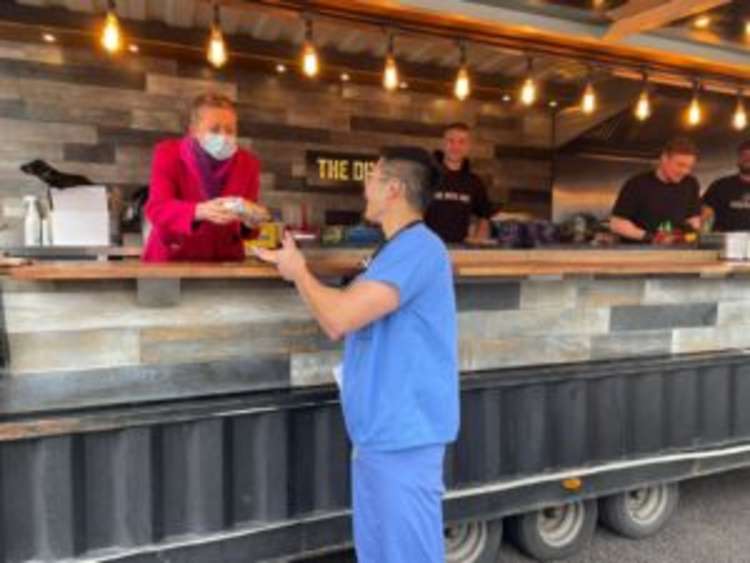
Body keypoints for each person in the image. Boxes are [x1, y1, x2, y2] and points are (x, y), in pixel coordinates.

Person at [255, 146, 459, 563]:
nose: (365, 186)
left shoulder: (420, 249)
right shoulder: (394, 248)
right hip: (379, 434)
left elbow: (339, 318)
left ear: (394, 189)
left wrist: (298, 272)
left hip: (405, 436)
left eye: (373, 177)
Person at [142, 92, 268, 262]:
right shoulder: (168, 153)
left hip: (225, 264)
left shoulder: (249, 164)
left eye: (230, 130)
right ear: (194, 131)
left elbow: (249, 231)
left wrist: (252, 221)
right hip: (173, 261)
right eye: (215, 129)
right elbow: (157, 208)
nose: (224, 136)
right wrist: (199, 211)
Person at [610, 137, 702, 243]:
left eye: (689, 167)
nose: (685, 171)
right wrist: (651, 237)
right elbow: (617, 224)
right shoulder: (637, 184)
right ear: (664, 158)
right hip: (639, 253)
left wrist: (690, 236)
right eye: (680, 165)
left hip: (678, 254)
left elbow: (693, 220)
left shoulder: (690, 183)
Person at [425, 122, 492, 244]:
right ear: (443, 144)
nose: (455, 146)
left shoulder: (474, 182)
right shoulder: (427, 176)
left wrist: (478, 242)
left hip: (459, 251)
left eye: (462, 142)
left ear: (468, 147)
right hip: (426, 248)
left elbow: (484, 216)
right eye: (451, 141)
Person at [701, 140, 750, 232]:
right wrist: (701, 239)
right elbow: (704, 215)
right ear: (738, 159)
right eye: (744, 155)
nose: (748, 158)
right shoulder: (720, 186)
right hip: (725, 242)